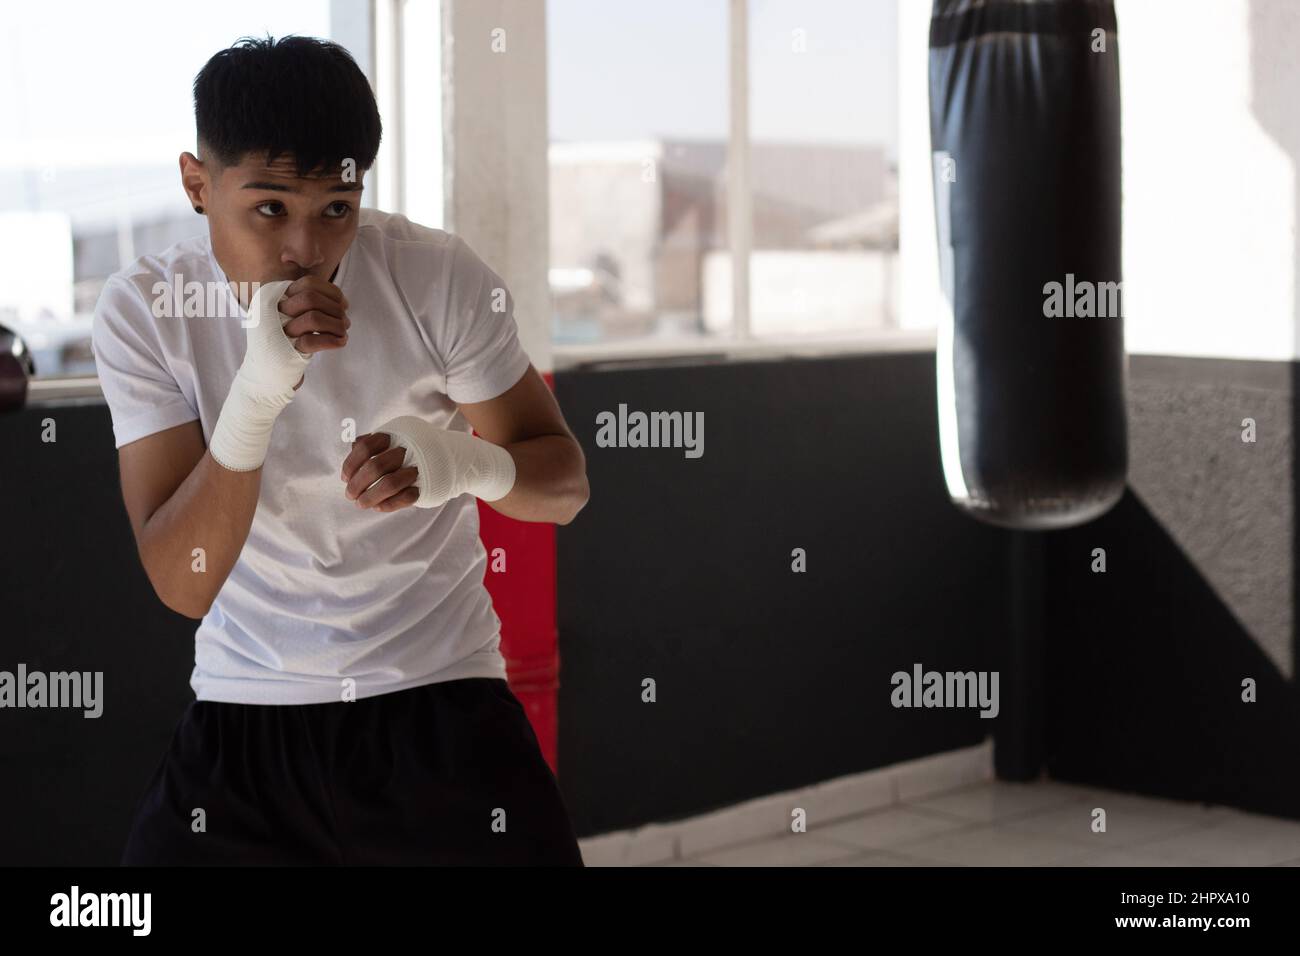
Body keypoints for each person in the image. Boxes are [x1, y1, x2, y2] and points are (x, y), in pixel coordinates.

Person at [91, 34, 588, 866]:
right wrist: (253, 400)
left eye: (336, 209)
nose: (306, 251)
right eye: (269, 208)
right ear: (196, 184)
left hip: (441, 696)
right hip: (246, 710)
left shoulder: (434, 276)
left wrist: (464, 463)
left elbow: (563, 483)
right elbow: (183, 583)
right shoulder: (146, 309)